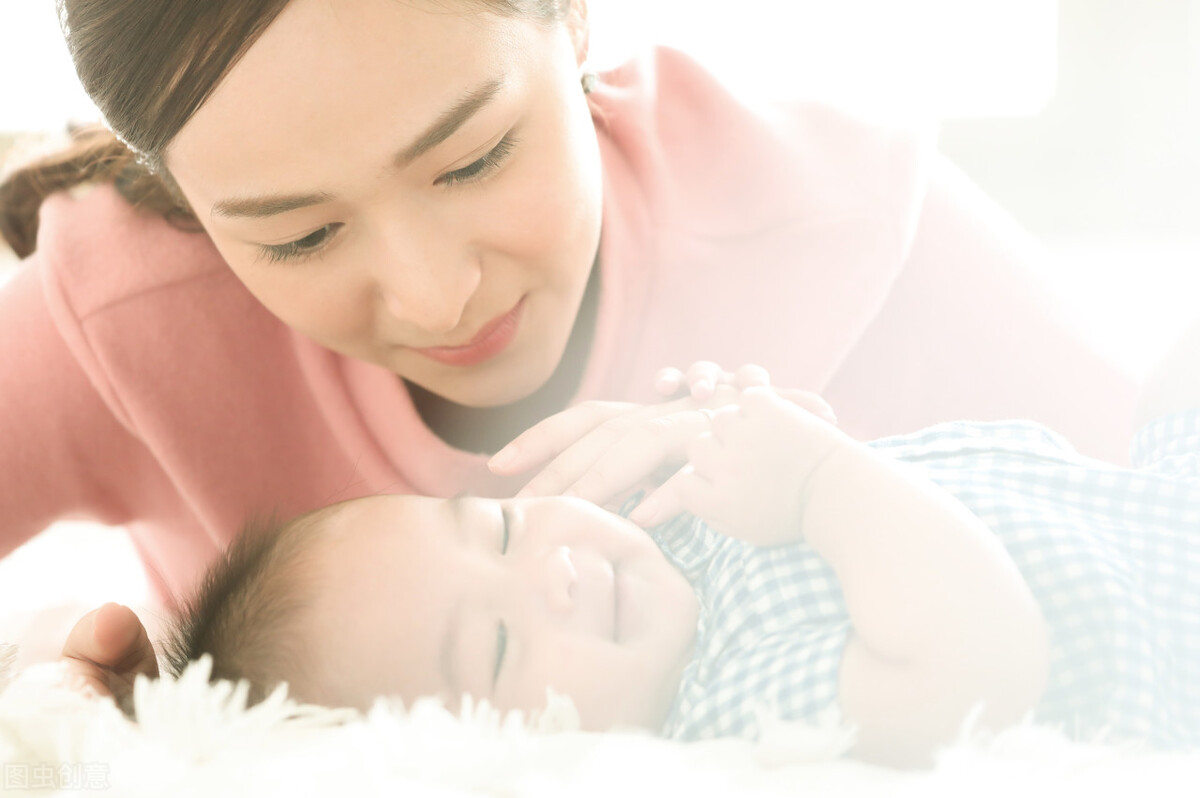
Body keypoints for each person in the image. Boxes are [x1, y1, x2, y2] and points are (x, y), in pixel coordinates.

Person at [3, 1, 1133, 708]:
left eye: (473, 158)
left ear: (576, 21)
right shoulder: (131, 308)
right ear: (185, 199)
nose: (435, 294)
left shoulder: (844, 214)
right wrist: (48, 669)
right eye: (300, 234)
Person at [152, 321, 1200, 769]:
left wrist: (740, 423)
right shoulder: (727, 722)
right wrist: (823, 485)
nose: (553, 568)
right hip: (1173, 630)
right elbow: (977, 671)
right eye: (500, 651)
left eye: (505, 531)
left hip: (1145, 492)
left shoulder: (666, 542)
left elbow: (831, 454)